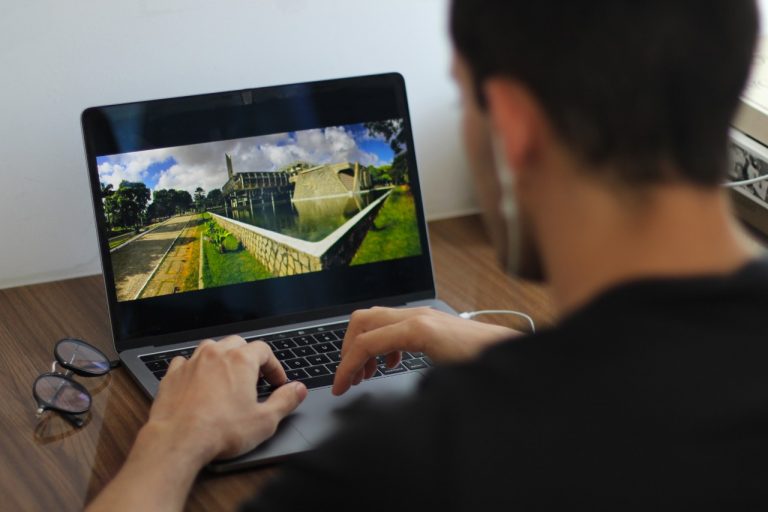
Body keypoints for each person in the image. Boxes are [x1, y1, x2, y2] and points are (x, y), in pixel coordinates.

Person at [87, 1, 768, 510]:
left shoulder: (406, 465)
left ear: (513, 125)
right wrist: (513, 356)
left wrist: (174, 439)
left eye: (464, 99)